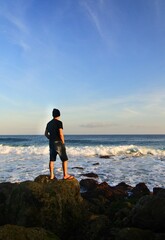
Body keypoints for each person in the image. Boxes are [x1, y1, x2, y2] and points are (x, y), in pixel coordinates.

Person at [45, 108, 74, 180]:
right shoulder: (59, 122)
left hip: (51, 143)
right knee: (64, 159)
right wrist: (63, 142)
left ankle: (51, 176)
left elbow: (45, 134)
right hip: (58, 143)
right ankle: (65, 175)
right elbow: (61, 134)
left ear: (53, 115)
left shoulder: (49, 123)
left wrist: (51, 138)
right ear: (59, 115)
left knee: (52, 160)